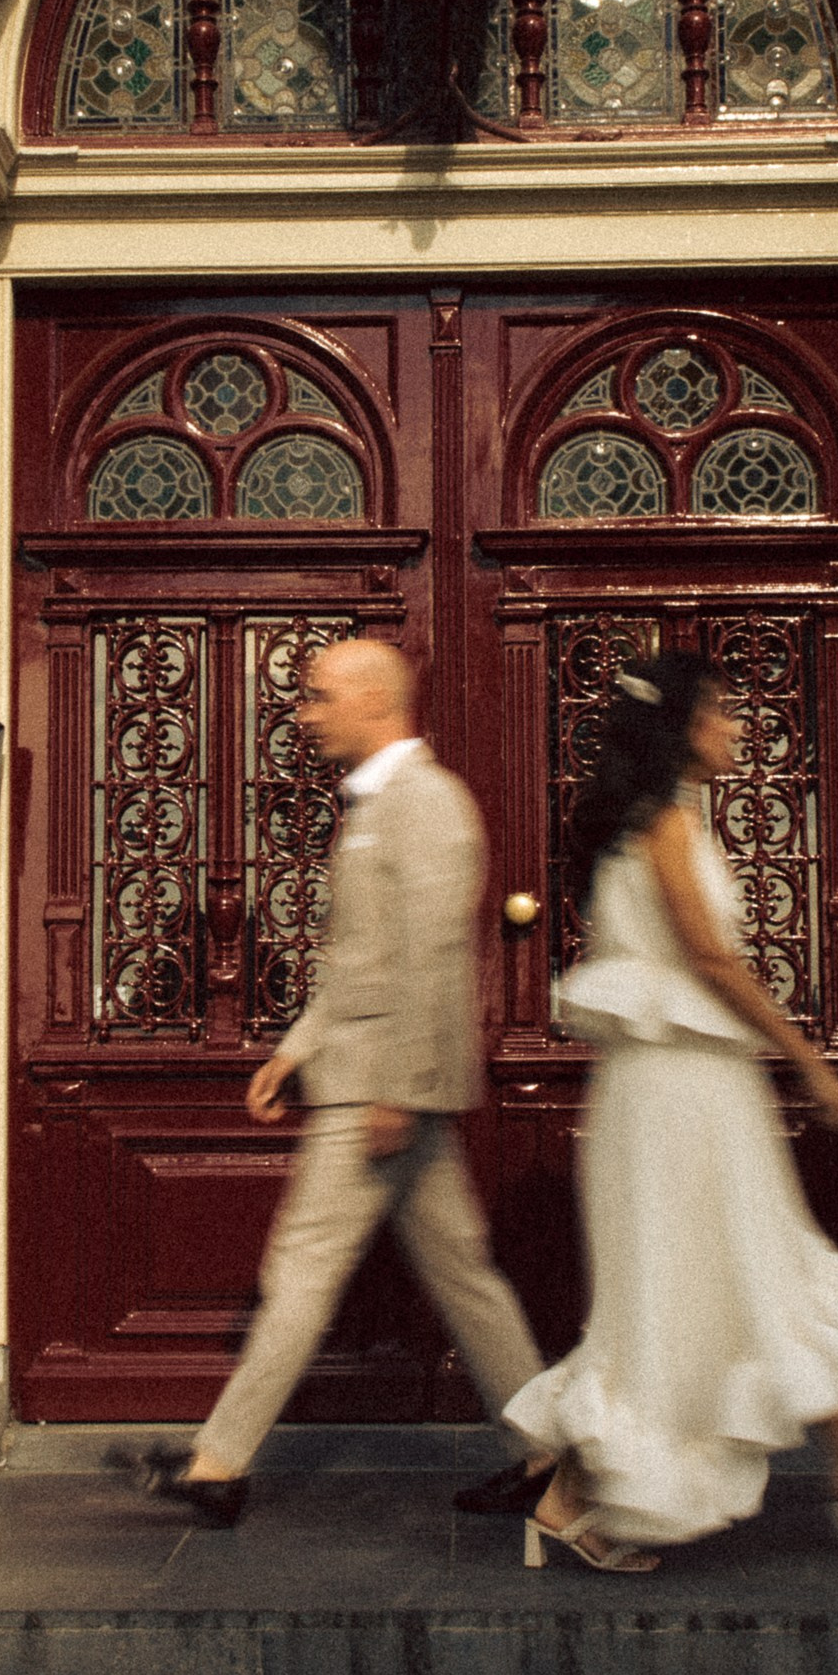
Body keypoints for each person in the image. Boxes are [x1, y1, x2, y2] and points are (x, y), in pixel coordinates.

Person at [503, 651, 838, 1573]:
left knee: (735, 1275)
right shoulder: (667, 825)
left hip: (683, 1086)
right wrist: (807, 1062)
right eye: (718, 713)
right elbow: (711, 962)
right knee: (720, 1280)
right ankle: (586, 1491)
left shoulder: (654, 824)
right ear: (679, 727)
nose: (733, 728)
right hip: (677, 1091)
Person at [140, 637, 547, 1527]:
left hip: (379, 1088)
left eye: (321, 696)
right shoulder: (382, 803)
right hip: (373, 1075)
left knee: (304, 1268)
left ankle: (218, 1462)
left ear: (375, 702)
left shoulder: (426, 803)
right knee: (464, 1275)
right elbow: (364, 959)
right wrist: (296, 1048)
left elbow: (437, 956)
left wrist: (398, 1088)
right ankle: (546, 1451)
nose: (307, 711)